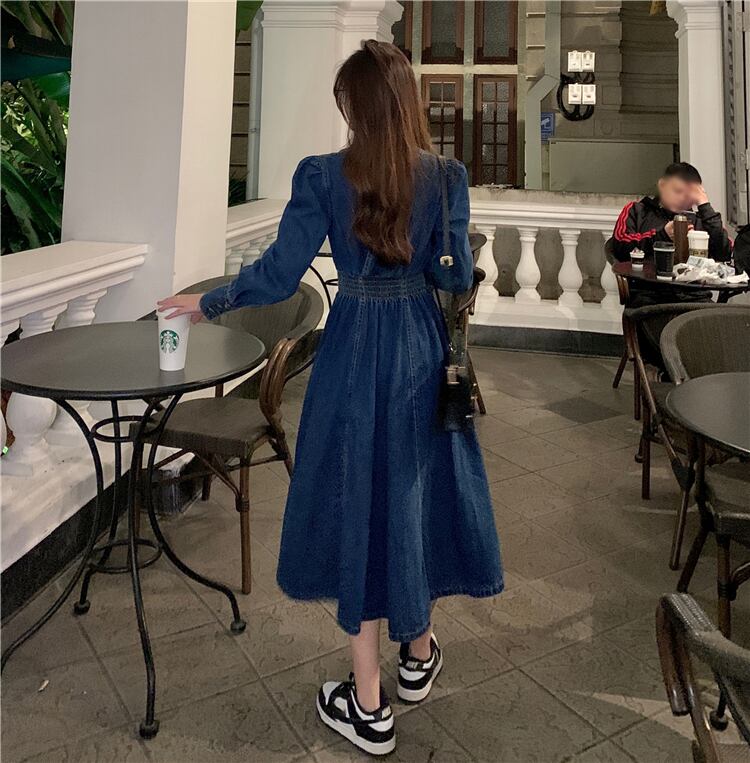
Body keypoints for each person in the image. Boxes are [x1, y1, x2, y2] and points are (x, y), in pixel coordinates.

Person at [158, 40, 503, 757]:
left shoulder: (321, 175)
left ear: (355, 105)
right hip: (418, 347)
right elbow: (452, 278)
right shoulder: (447, 176)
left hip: (352, 349)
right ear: (407, 101)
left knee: (359, 498)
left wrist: (208, 301)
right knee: (412, 489)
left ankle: (368, 701)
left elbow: (280, 274)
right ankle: (418, 655)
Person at [608, 162, 732, 305]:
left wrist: (704, 206)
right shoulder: (638, 211)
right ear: (662, 185)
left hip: (694, 297)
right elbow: (620, 247)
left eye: (690, 195)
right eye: (678, 191)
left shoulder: (701, 220)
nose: (683, 198)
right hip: (648, 295)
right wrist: (662, 235)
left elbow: (724, 253)